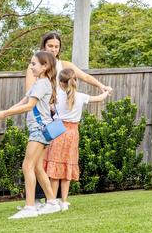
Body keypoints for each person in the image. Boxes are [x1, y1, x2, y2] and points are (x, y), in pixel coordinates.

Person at [0, 51, 62, 219]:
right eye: (31, 63)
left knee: (27, 166)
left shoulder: (42, 84)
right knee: (36, 167)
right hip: (43, 130)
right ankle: (51, 202)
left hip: (39, 130)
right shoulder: (40, 84)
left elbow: (29, 106)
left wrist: (4, 114)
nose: (31, 66)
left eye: (34, 64)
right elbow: (21, 102)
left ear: (45, 67)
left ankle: (30, 207)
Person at [43, 68, 110, 211]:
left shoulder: (55, 97)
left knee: (55, 170)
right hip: (73, 133)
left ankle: (52, 201)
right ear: (75, 81)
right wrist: (106, 91)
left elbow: (51, 110)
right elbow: (99, 98)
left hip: (58, 132)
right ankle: (64, 201)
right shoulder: (81, 96)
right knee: (67, 166)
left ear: (60, 83)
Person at [27, 32, 112, 93]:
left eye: (56, 47)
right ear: (44, 47)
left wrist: (102, 86)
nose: (53, 50)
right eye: (50, 46)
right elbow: (29, 91)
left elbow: (85, 77)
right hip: (42, 110)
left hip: (60, 109)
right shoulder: (34, 66)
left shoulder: (64, 65)